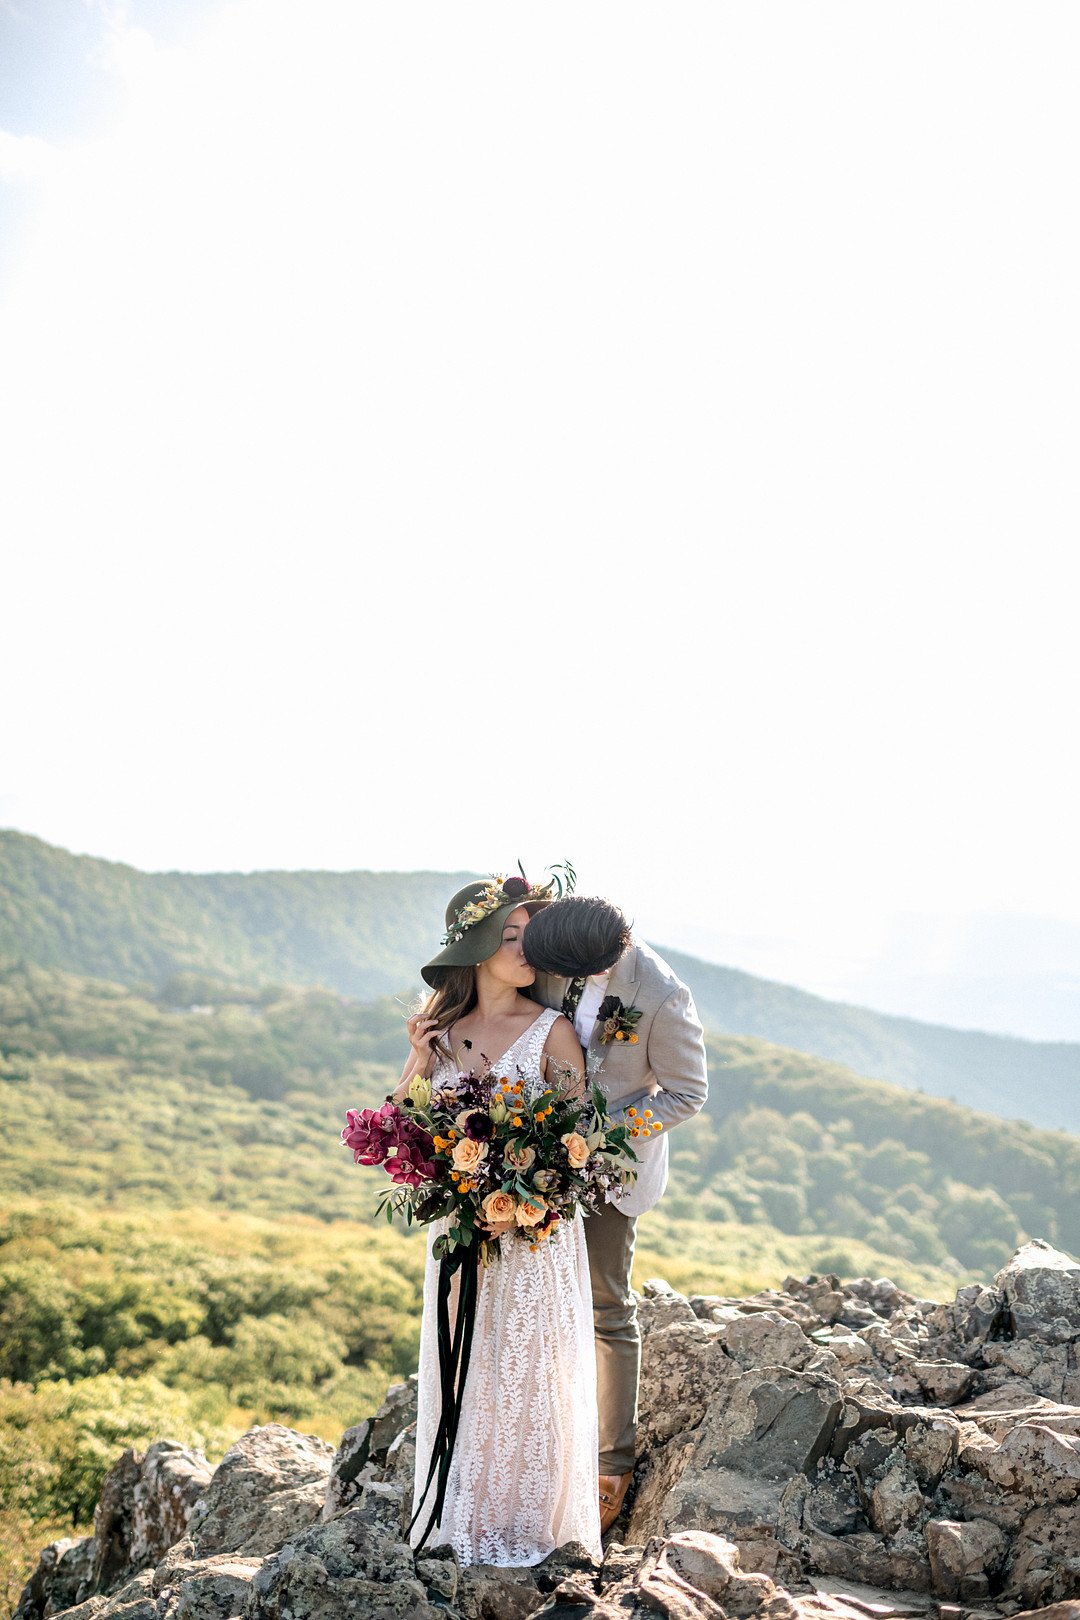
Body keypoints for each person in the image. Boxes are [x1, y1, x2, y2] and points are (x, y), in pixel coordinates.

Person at [392, 875, 603, 1567]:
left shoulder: (554, 1031)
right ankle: (463, 1518)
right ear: (478, 949)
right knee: (471, 1371)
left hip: (532, 1237)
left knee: (530, 1374)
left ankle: (529, 1527)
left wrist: (524, 1190)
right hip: (459, 1236)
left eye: (529, 938)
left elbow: (581, 1148)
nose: (524, 951)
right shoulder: (444, 1036)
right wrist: (421, 1063)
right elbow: (403, 1134)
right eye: (509, 938)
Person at [523, 895, 709, 1532]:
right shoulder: (557, 945)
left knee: (606, 1304)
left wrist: (602, 1134)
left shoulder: (660, 993)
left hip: (612, 1171)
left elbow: (689, 1093)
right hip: (531, 1155)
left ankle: (613, 1459)